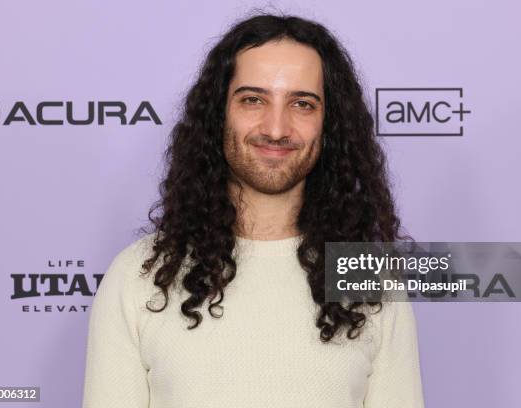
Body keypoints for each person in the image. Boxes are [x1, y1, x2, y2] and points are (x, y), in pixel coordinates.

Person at [82, 11, 424, 408]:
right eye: (253, 100)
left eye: (302, 103)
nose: (276, 128)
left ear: (330, 125)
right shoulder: (139, 275)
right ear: (218, 114)